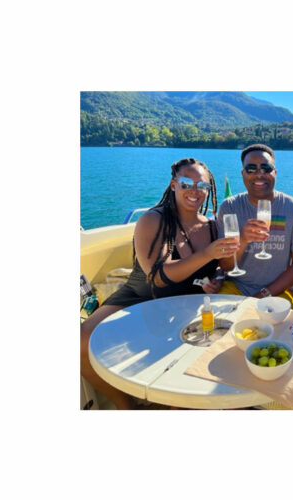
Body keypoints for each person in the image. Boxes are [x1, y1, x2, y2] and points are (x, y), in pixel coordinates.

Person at [80, 158, 240, 409]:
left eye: (202, 185)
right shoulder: (154, 220)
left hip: (186, 301)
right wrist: (208, 254)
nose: (194, 190)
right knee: (82, 340)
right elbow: (158, 276)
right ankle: (126, 407)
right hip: (141, 295)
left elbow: (221, 268)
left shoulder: (211, 226)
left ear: (209, 191)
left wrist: (215, 278)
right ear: (174, 184)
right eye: (187, 183)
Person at [216, 144, 293, 310]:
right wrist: (243, 240)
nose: (259, 174)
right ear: (243, 174)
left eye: (266, 168)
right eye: (251, 169)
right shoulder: (230, 207)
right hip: (235, 287)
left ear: (275, 172)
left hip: (278, 290)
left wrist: (263, 294)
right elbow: (226, 266)